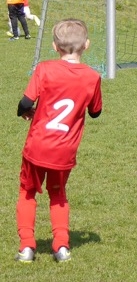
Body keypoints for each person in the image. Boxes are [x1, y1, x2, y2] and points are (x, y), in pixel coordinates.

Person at [14, 19, 103, 263]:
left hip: (37, 146)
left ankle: (26, 247)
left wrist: (24, 111)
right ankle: (61, 247)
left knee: (27, 192)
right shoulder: (93, 77)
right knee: (58, 194)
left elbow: (25, 103)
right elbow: (96, 112)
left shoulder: (44, 69)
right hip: (64, 150)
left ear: (55, 46)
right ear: (86, 45)